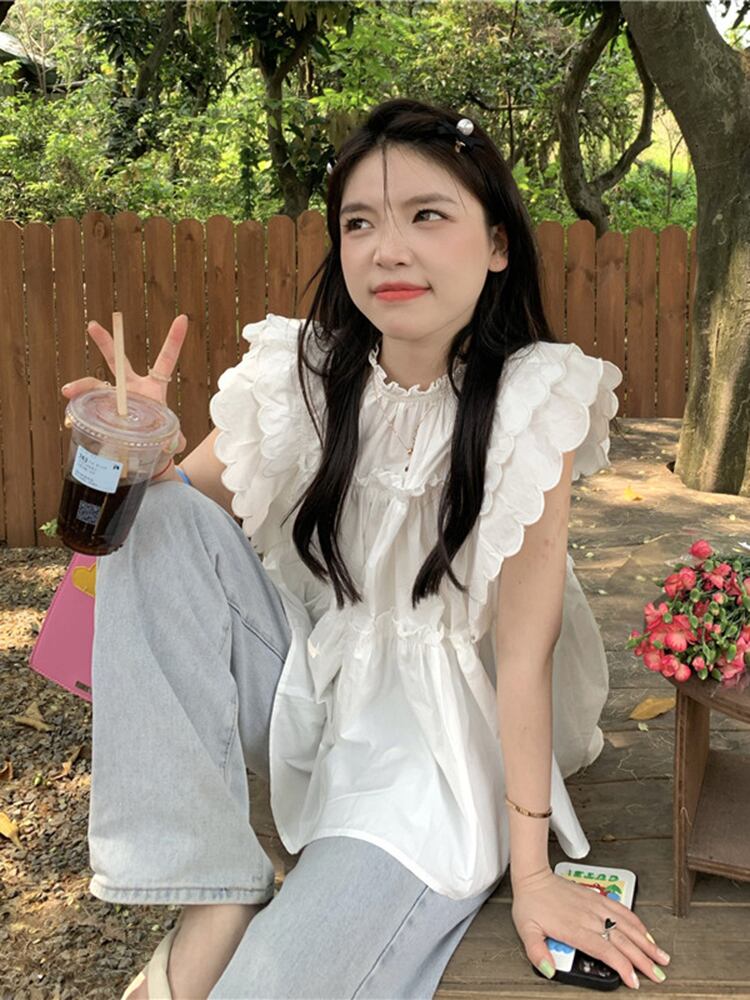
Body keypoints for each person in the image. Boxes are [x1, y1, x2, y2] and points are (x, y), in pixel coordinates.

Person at [61, 98, 670, 999]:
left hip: (431, 762)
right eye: (359, 223)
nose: (388, 249)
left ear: (497, 244)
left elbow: (523, 654)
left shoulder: (529, 402)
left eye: (427, 215)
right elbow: (173, 545)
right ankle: (214, 888)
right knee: (151, 515)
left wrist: (534, 874)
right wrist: (138, 452)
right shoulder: (303, 374)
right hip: (314, 690)